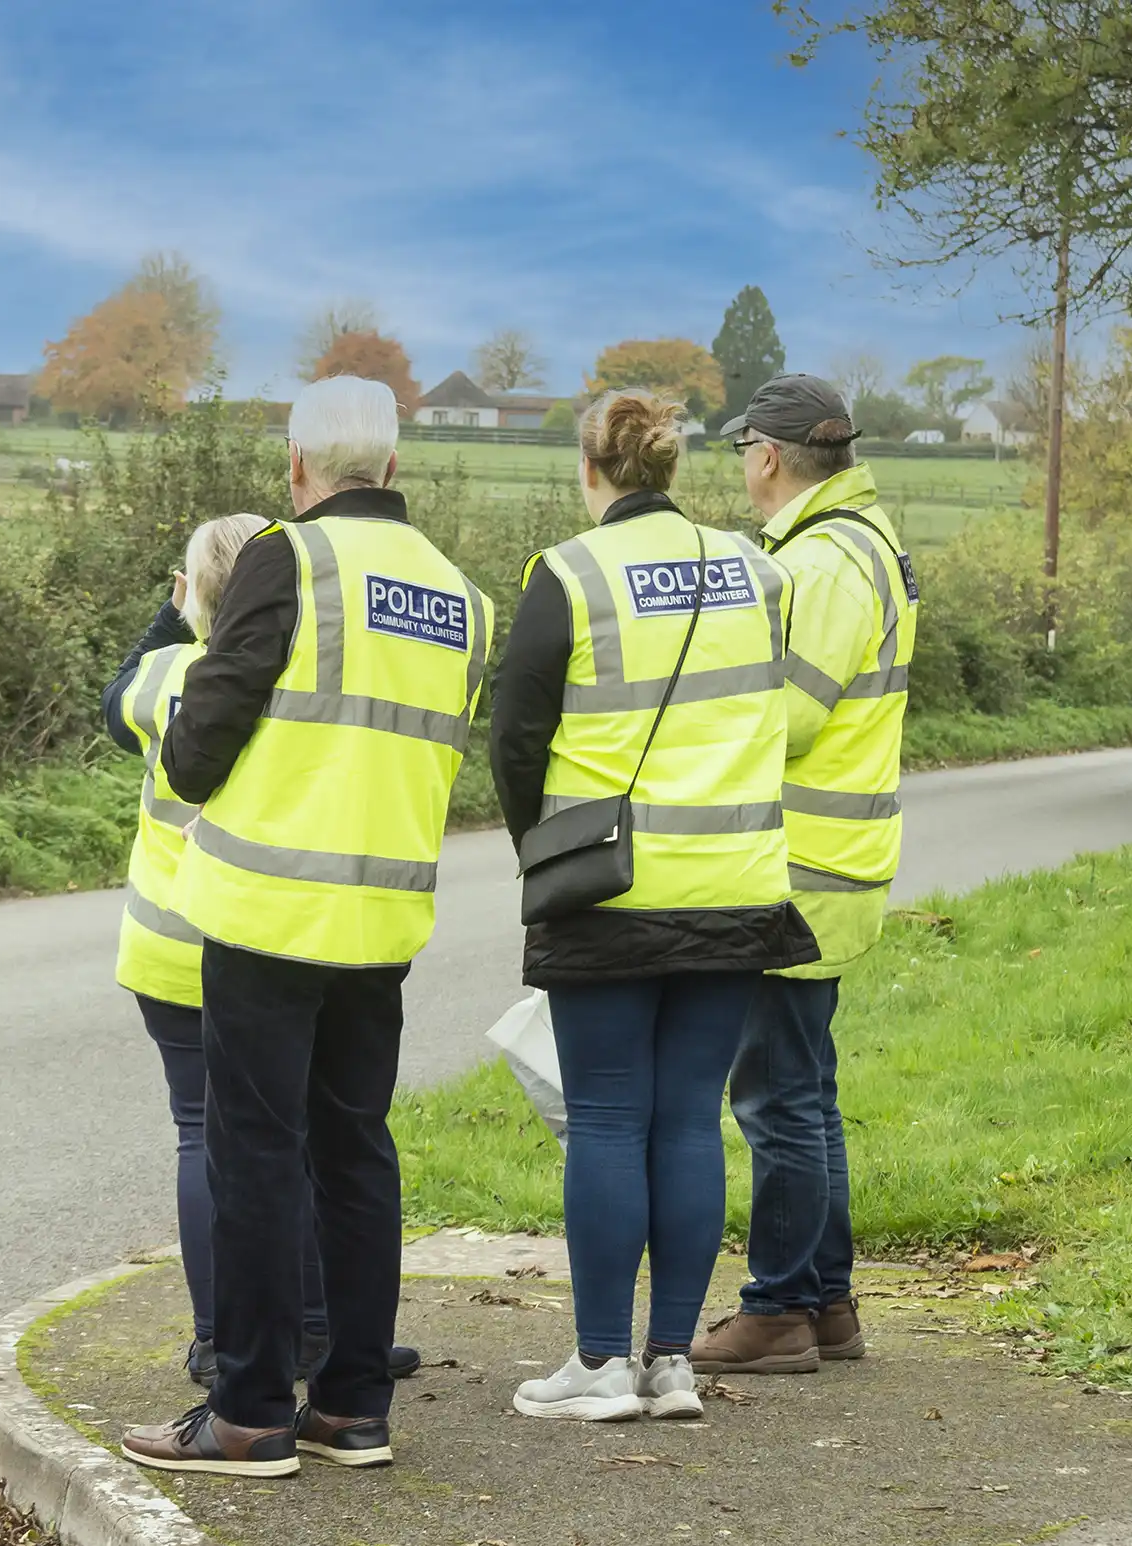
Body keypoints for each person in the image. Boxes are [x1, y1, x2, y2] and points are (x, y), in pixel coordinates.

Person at [120, 376, 492, 1479]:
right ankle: (351, 1407)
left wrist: (189, 743)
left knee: (254, 1160)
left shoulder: (288, 558)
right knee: (355, 1155)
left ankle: (244, 1412)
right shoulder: (456, 591)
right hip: (381, 920)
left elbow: (199, 740)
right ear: (391, 464)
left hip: (266, 910)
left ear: (296, 465)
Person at [487, 389, 817, 1423]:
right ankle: (670, 1363)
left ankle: (595, 1365)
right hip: (736, 887)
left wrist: (539, 848)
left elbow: (513, 734)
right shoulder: (754, 569)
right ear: (671, 467)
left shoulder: (569, 572)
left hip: (610, 888)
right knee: (686, 1122)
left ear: (590, 470)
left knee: (604, 1118)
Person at [100, 514, 425, 1392]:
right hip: (265, 929)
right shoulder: (295, 670)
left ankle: (218, 1337)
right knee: (309, 1141)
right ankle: (317, 1329)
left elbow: (116, 690)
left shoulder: (165, 677)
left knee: (205, 1136)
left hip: (166, 944)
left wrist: (174, 612)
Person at [691, 376, 917, 1376]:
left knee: (775, 1098)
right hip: (833, 858)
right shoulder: (854, 540)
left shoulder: (821, 563)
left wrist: (692, 720)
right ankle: (825, 1302)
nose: (742, 468)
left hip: (799, 862)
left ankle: (778, 1306)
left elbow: (790, 716)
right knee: (802, 1090)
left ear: (767, 456)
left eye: (743, 451)